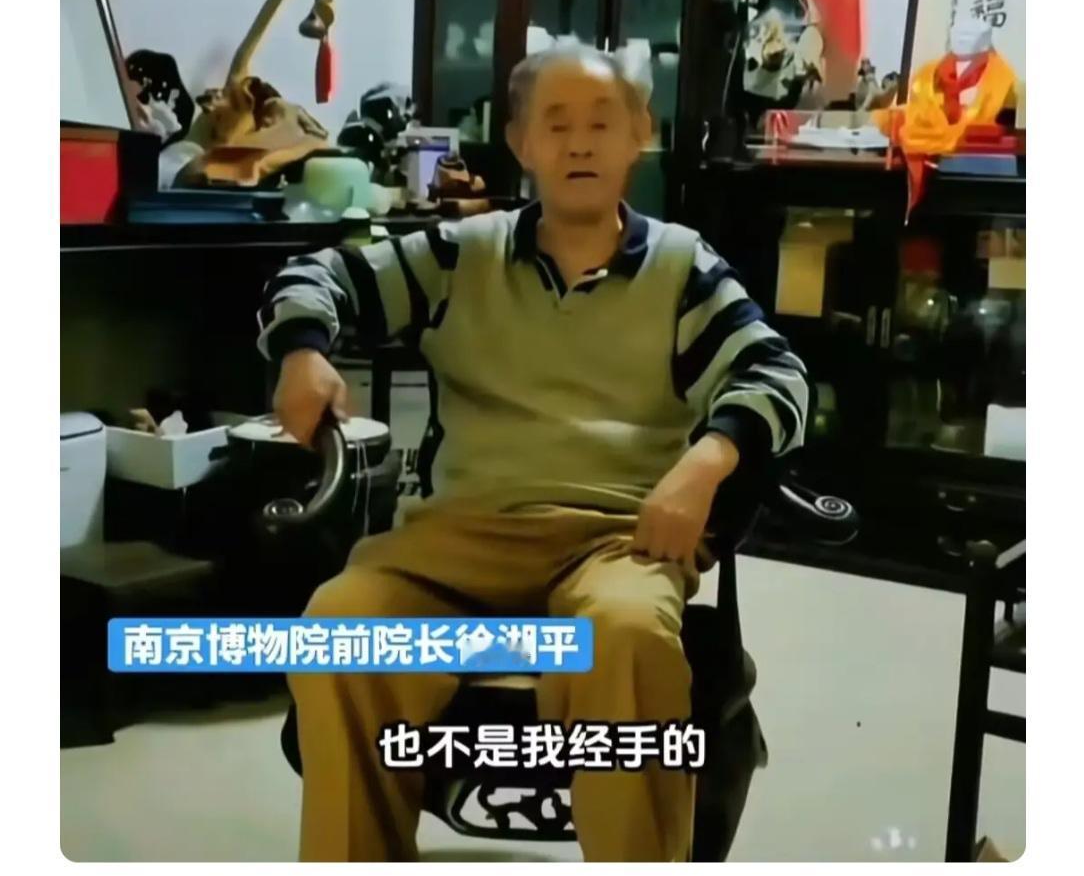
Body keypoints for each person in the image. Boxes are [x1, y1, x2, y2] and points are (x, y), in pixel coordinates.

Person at [256, 44, 809, 862]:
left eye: (602, 123)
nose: (579, 142)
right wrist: (303, 350)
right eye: (556, 123)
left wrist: (707, 460)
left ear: (640, 135)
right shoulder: (460, 254)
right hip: (455, 544)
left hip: (614, 539)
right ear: (520, 143)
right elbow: (316, 275)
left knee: (627, 634)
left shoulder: (682, 267)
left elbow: (776, 372)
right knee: (340, 627)